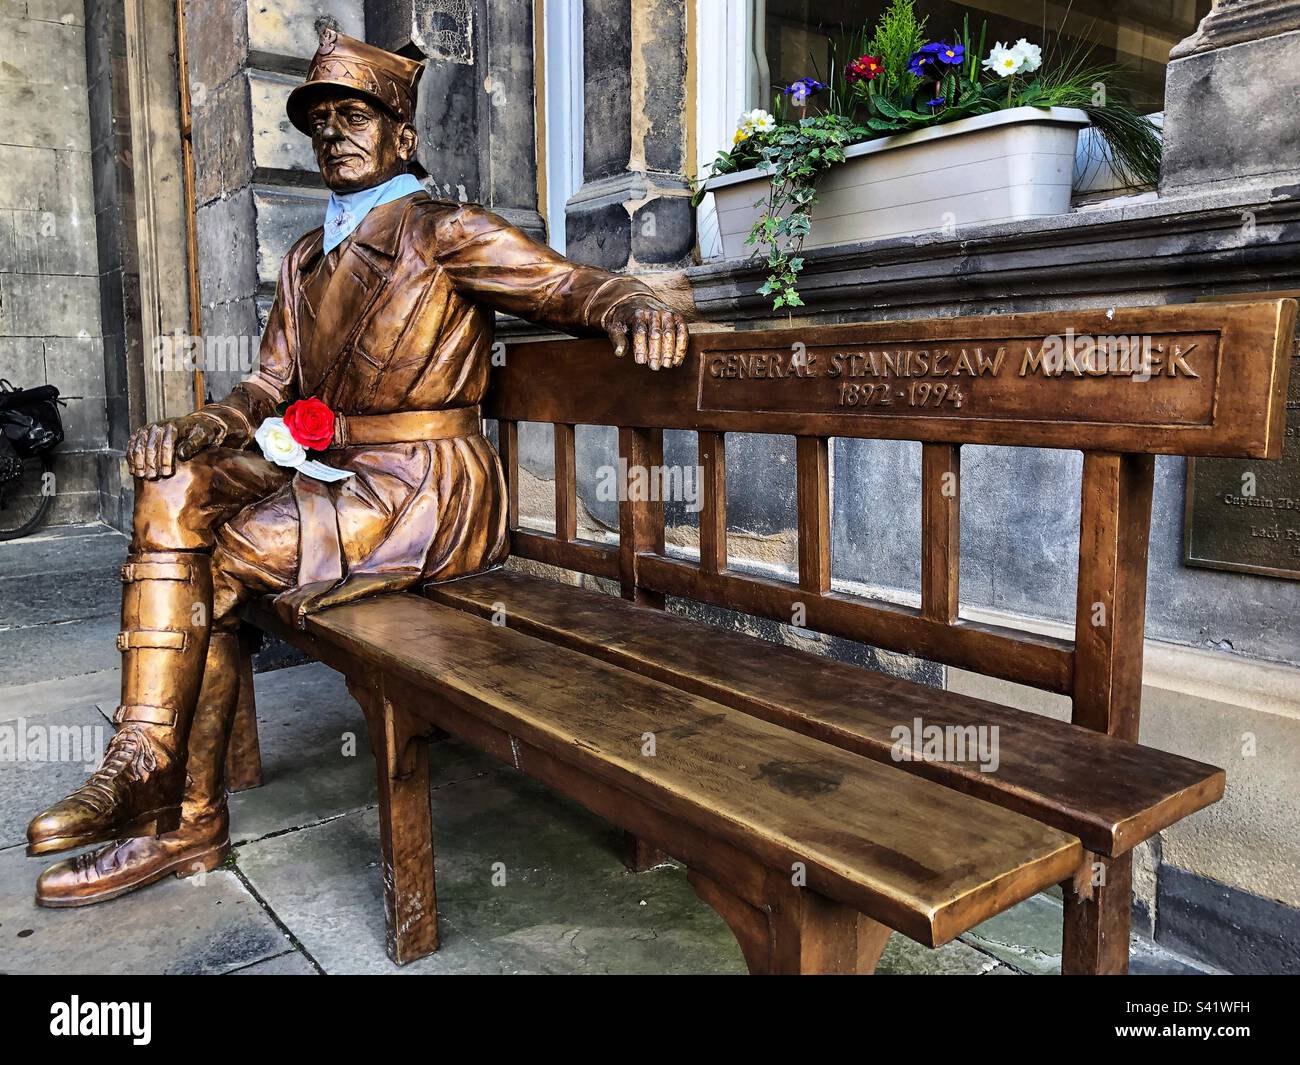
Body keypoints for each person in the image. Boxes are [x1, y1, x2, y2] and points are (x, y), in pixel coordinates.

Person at [28, 28, 688, 906]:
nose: (333, 134)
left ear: (402, 136)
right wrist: (201, 427)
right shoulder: (306, 258)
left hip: (426, 484)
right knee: (174, 491)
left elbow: (565, 286)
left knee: (217, 566)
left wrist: (631, 298)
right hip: (334, 468)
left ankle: (181, 814)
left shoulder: (447, 232)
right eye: (320, 122)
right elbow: (268, 383)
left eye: (355, 116)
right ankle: (145, 761)